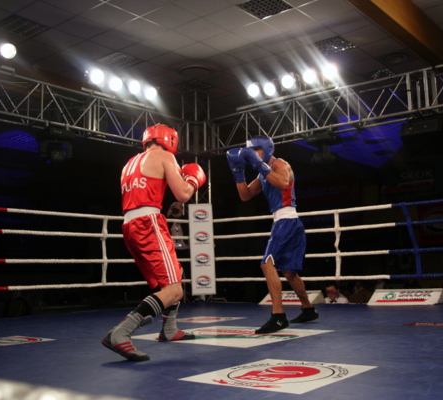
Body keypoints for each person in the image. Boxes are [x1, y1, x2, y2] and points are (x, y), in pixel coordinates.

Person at [102, 124, 207, 361]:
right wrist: (193, 179)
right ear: (170, 140)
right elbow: (183, 194)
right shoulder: (164, 156)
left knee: (176, 273)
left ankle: (169, 329)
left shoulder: (130, 163)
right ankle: (121, 332)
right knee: (174, 290)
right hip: (148, 223)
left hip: (130, 225)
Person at [226, 136, 318, 334]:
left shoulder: (280, 164)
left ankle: (278, 316)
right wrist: (238, 172)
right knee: (289, 272)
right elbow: (245, 195)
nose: (254, 154)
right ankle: (309, 309)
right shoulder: (263, 173)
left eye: (257, 150)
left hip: (287, 220)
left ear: (267, 149)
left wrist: (260, 165)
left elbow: (283, 183)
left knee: (267, 263)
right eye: (252, 151)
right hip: (286, 222)